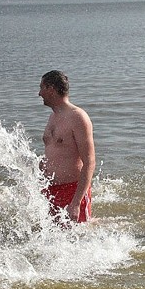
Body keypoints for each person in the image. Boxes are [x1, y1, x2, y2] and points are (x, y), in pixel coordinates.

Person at [39, 70, 95, 222]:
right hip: (50, 191)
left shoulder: (78, 117)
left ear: (51, 89)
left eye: (42, 88)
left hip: (72, 190)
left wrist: (76, 202)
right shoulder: (52, 117)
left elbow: (89, 162)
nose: (39, 93)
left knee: (79, 238)